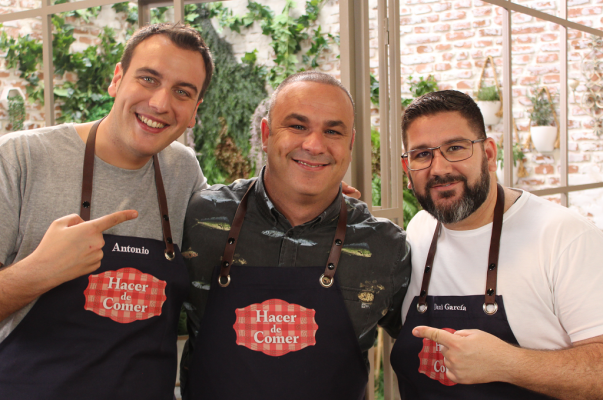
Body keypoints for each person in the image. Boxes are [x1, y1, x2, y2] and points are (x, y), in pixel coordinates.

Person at [0, 23, 213, 399]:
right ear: (117, 79)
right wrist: (38, 272)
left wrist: (315, 197)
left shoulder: (183, 172)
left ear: (194, 111)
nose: (161, 103)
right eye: (148, 79)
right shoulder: (20, 159)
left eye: (182, 92)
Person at [179, 71, 411, 400]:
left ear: (350, 144)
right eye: (298, 126)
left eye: (332, 131)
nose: (314, 145)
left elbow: (428, 355)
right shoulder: (202, 218)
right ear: (266, 134)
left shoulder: (385, 247)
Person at [390, 90, 603, 400]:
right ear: (407, 169)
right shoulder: (419, 231)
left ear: (488, 154)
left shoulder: (565, 237)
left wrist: (508, 364)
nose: (439, 168)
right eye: (422, 154)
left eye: (456, 148)